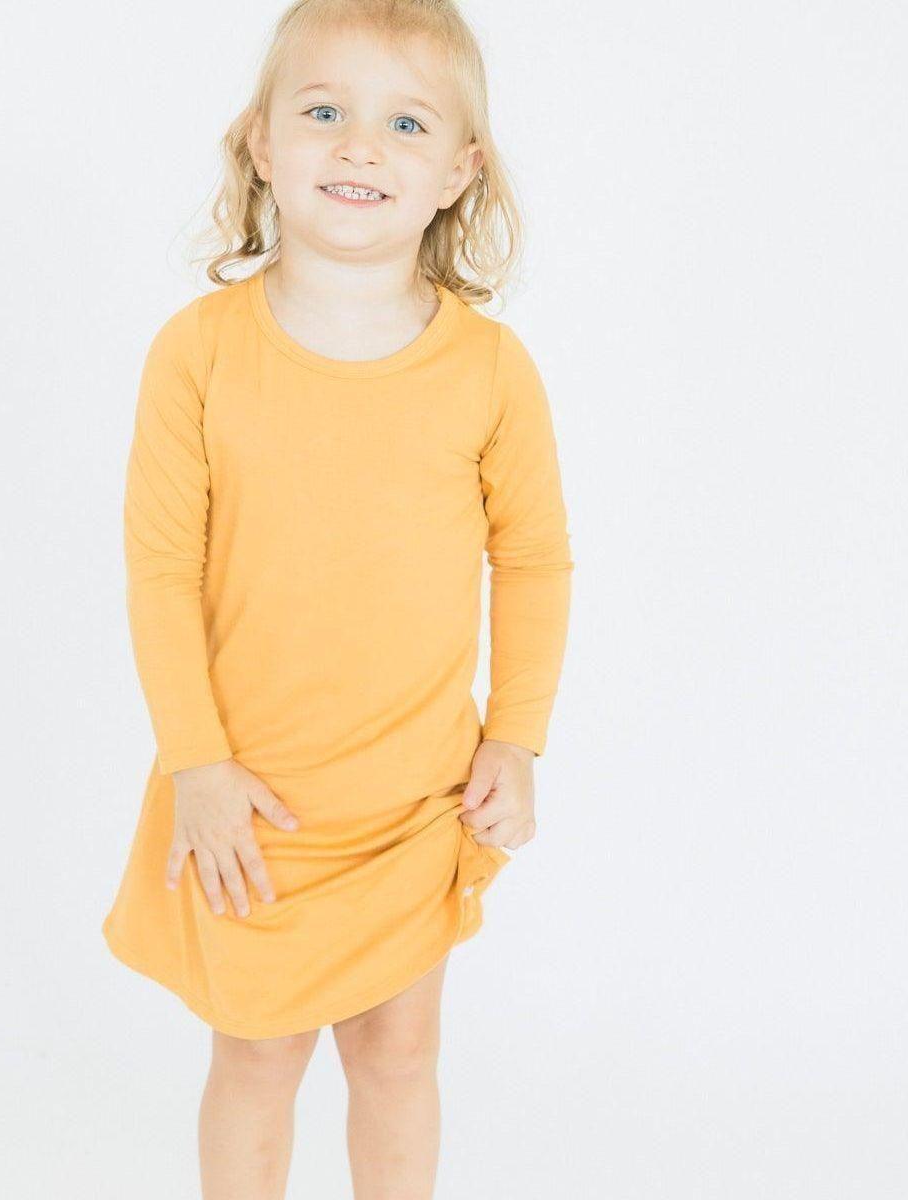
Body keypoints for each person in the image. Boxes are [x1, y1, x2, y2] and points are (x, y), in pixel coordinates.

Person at [101, 1, 574, 1194]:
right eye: (324, 112)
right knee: (257, 1058)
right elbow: (160, 573)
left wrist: (516, 737)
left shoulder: (490, 369)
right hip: (251, 806)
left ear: (459, 171)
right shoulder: (199, 352)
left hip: (413, 798)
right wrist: (196, 767)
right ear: (261, 141)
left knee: (398, 1058)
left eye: (406, 123)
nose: (361, 146)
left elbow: (533, 559)